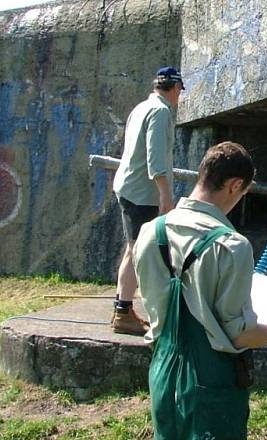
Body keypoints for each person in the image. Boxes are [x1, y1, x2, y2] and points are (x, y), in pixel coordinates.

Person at [134, 141, 267, 440]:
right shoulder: (232, 246)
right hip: (212, 380)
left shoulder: (149, 232)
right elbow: (238, 333)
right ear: (235, 185)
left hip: (162, 370)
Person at [110, 66, 184, 335]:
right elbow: (156, 158)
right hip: (143, 192)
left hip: (129, 186)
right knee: (136, 250)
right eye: (179, 91)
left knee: (134, 249)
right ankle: (122, 312)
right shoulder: (161, 112)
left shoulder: (141, 107)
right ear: (175, 88)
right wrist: (166, 196)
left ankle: (124, 308)